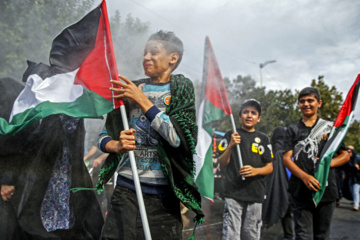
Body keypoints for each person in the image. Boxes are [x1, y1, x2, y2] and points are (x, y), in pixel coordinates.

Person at [97, 30, 204, 239]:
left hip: (163, 198)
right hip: (126, 191)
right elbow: (103, 137)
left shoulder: (181, 88)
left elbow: (177, 139)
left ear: (173, 58)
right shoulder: (128, 89)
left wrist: (142, 100)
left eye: (153, 52)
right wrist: (117, 146)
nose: (146, 57)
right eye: (145, 52)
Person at [283, 87, 350, 240]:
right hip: (300, 190)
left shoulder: (331, 128)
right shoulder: (292, 130)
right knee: (302, 235)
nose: (306, 104)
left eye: (310, 100)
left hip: (326, 191)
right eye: (302, 101)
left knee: (322, 235)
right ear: (298, 104)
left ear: (319, 103)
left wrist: (327, 164)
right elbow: (287, 159)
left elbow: (345, 155)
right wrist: (305, 177)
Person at [219, 99, 273, 240]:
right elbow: (222, 163)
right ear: (239, 116)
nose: (249, 115)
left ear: (258, 118)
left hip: (255, 193)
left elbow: (269, 167)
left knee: (251, 233)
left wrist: (256, 171)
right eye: (246, 112)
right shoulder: (231, 134)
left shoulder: (263, 138)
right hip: (233, 193)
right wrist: (230, 146)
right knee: (231, 234)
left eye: (253, 113)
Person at [347, 145, 360, 210]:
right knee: (352, 191)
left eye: (350, 151)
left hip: (357, 178)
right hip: (351, 178)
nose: (348, 152)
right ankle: (357, 202)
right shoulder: (348, 159)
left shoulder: (357, 158)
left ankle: (356, 205)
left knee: (355, 191)